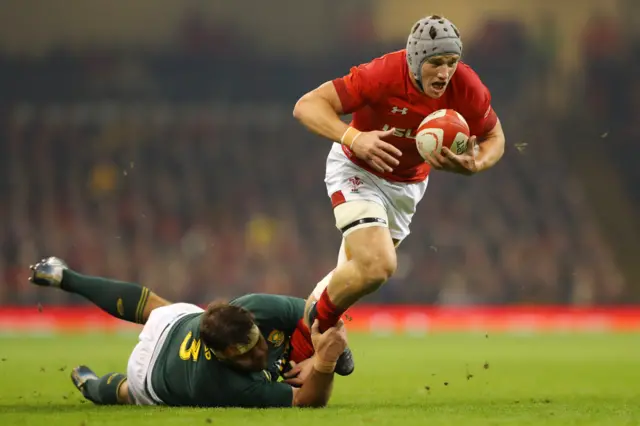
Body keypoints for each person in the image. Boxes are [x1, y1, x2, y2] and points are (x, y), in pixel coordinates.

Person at [292, 15, 506, 373]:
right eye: (435, 63)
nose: (444, 73)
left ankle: (301, 332)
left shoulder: (467, 86)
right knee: (379, 265)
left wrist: (476, 164)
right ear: (415, 59)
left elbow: (495, 138)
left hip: (407, 188)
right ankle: (318, 330)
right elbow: (306, 106)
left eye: (451, 63)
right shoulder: (382, 75)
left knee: (355, 275)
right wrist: (355, 138)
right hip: (356, 171)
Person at [29, 257, 347, 408]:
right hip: (152, 373)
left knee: (153, 307)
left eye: (256, 342)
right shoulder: (224, 386)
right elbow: (308, 400)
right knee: (128, 393)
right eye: (245, 355)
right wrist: (325, 362)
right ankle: (92, 385)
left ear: (251, 319)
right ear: (222, 355)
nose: (259, 354)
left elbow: (312, 311)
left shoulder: (254, 306)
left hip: (179, 323)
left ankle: (63, 276)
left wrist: (331, 346)